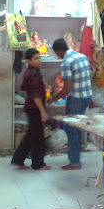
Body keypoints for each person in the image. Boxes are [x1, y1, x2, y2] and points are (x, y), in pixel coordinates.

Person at [48, 38, 92, 170]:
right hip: (86, 96)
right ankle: (76, 157)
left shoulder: (67, 62)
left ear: (58, 51)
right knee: (77, 127)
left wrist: (53, 99)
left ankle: (74, 162)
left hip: (76, 99)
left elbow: (66, 89)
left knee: (71, 129)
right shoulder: (82, 56)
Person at [11, 48, 51, 170]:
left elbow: (24, 87)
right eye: (36, 58)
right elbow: (35, 96)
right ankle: (38, 164)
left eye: (39, 58)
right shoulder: (33, 73)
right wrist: (42, 111)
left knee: (31, 135)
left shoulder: (31, 71)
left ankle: (18, 159)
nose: (39, 60)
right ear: (28, 60)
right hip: (34, 108)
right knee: (38, 137)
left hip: (31, 106)